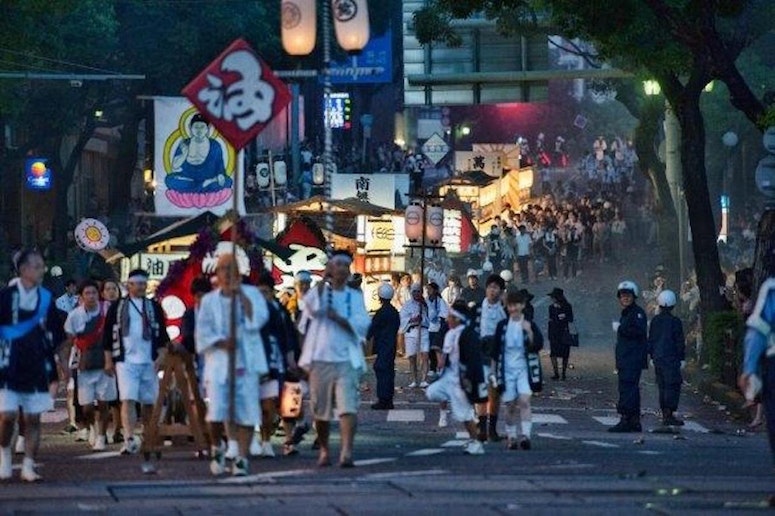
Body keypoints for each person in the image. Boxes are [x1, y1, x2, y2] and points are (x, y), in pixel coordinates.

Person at [196, 255, 269, 476]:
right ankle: (217, 446)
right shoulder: (209, 301)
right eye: (223, 269)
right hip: (219, 365)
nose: (227, 273)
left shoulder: (252, 294)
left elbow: (259, 319)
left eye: (231, 269)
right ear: (217, 274)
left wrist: (242, 297)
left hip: (246, 364)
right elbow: (202, 332)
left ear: (239, 272)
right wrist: (220, 342)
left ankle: (241, 458)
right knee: (217, 413)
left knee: (247, 413)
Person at [298, 250, 371, 468]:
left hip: (346, 360)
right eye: (336, 265)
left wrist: (340, 319)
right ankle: (325, 449)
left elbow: (362, 325)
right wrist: (323, 280)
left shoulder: (354, 297)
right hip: (320, 358)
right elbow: (310, 308)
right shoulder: (320, 292)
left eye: (343, 266)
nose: (340, 270)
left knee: (347, 406)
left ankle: (347, 451)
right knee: (320, 411)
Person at [0, 249, 63, 481]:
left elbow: (57, 336)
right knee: (7, 416)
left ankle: (29, 465)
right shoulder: (5, 296)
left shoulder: (46, 299)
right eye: (36, 266)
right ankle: (4, 453)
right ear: (23, 269)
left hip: (37, 366)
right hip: (8, 365)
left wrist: (53, 367)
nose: (41, 270)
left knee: (33, 418)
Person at [102, 269, 170, 455]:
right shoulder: (117, 307)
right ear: (128, 285)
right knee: (128, 398)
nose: (140, 287)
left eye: (143, 283)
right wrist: (108, 360)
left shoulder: (154, 307)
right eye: (136, 283)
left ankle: (148, 435)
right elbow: (107, 335)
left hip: (149, 360)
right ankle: (129, 437)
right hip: (125, 360)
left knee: (149, 401)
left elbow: (163, 334)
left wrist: (162, 357)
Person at [425, 300, 486, 455]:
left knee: (464, 415)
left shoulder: (468, 335)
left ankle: (477, 442)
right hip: (449, 376)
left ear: (458, 319)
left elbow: (474, 361)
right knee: (431, 392)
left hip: (462, 378)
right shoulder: (449, 333)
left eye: (451, 316)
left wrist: (469, 380)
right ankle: (455, 408)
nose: (447, 319)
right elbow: (446, 357)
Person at [63, 279, 117, 452]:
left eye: (94, 292)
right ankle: (91, 427)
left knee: (103, 403)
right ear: (81, 296)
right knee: (86, 406)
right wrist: (65, 364)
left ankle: (101, 436)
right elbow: (69, 341)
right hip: (84, 364)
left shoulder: (108, 310)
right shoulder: (74, 316)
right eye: (87, 293)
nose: (91, 296)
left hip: (105, 362)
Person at [491, 290, 543, 450]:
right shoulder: (502, 326)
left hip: (524, 370)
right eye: (511, 305)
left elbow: (538, 346)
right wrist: (493, 374)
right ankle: (511, 436)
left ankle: (526, 436)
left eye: (517, 305)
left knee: (525, 401)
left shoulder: (529, 324)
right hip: (506, 371)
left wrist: (529, 331)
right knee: (510, 405)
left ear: (523, 305)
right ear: (507, 307)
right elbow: (494, 352)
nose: (514, 308)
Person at [253, 271, 298, 458]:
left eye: (265, 292)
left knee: (280, 402)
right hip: (256, 361)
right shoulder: (252, 309)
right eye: (259, 292)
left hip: (277, 361)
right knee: (260, 403)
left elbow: (288, 335)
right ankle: (260, 440)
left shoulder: (280, 311)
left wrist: (291, 359)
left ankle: (282, 440)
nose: (262, 296)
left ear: (272, 292)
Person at [609, 280, 648, 433]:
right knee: (629, 388)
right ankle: (634, 420)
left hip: (632, 358)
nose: (625, 298)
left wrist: (621, 329)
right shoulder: (627, 313)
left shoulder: (637, 313)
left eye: (628, 295)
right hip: (627, 358)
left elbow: (639, 332)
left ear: (634, 296)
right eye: (622, 296)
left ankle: (626, 419)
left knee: (628, 389)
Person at [474, 274, 507, 442]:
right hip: (480, 354)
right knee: (481, 393)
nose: (492, 291)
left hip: (498, 355)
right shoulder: (477, 309)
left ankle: (492, 430)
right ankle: (481, 429)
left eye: (496, 288)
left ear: (501, 292)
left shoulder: (505, 310)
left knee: (494, 394)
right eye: (490, 287)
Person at [166, 113, 232, 194]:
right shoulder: (185, 143)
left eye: (202, 127)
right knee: (169, 179)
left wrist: (220, 176)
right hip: (189, 177)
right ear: (190, 127)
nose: (199, 130)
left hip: (208, 176)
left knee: (228, 181)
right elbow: (175, 166)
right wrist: (184, 154)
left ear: (207, 128)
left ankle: (198, 187)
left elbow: (220, 167)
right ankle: (203, 186)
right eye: (196, 127)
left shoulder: (215, 145)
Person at [647, 289, 685, 427]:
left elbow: (651, 339)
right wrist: (682, 358)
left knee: (662, 385)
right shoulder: (676, 322)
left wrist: (651, 355)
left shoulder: (655, 321)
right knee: (673, 385)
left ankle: (665, 412)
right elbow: (679, 341)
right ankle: (669, 413)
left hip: (658, 358)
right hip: (672, 358)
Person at [367, 283, 400, 410]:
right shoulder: (394, 312)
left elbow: (372, 328)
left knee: (381, 370)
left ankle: (383, 399)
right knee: (389, 371)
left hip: (383, 345)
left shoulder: (381, 313)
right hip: (391, 346)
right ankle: (388, 399)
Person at [399, 283, 430, 388]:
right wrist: (412, 319)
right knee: (412, 357)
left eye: (419, 291)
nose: (417, 293)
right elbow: (402, 318)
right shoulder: (407, 305)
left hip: (423, 331)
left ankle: (424, 379)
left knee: (425, 356)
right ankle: (414, 379)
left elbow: (430, 318)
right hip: (411, 333)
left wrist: (423, 316)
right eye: (415, 291)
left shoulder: (425, 304)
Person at [547, 287, 574, 381]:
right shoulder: (551, 307)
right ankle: (556, 373)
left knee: (565, 354)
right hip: (554, 333)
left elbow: (571, 318)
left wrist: (563, 316)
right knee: (553, 354)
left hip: (563, 332)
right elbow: (551, 320)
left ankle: (563, 373)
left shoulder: (567, 306)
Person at [426, 281, 449, 378]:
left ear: (435, 290)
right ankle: (432, 368)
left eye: (430, 289)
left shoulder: (440, 301)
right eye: (427, 289)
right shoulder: (426, 300)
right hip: (429, 328)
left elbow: (444, 315)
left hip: (437, 328)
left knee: (437, 349)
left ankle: (440, 368)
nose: (428, 291)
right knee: (430, 350)